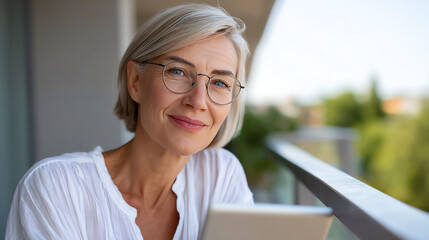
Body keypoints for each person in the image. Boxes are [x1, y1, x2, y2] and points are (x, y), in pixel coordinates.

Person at [5, 3, 253, 240]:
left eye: (220, 83)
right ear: (136, 82)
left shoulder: (220, 175)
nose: (198, 100)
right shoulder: (56, 188)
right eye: (177, 71)